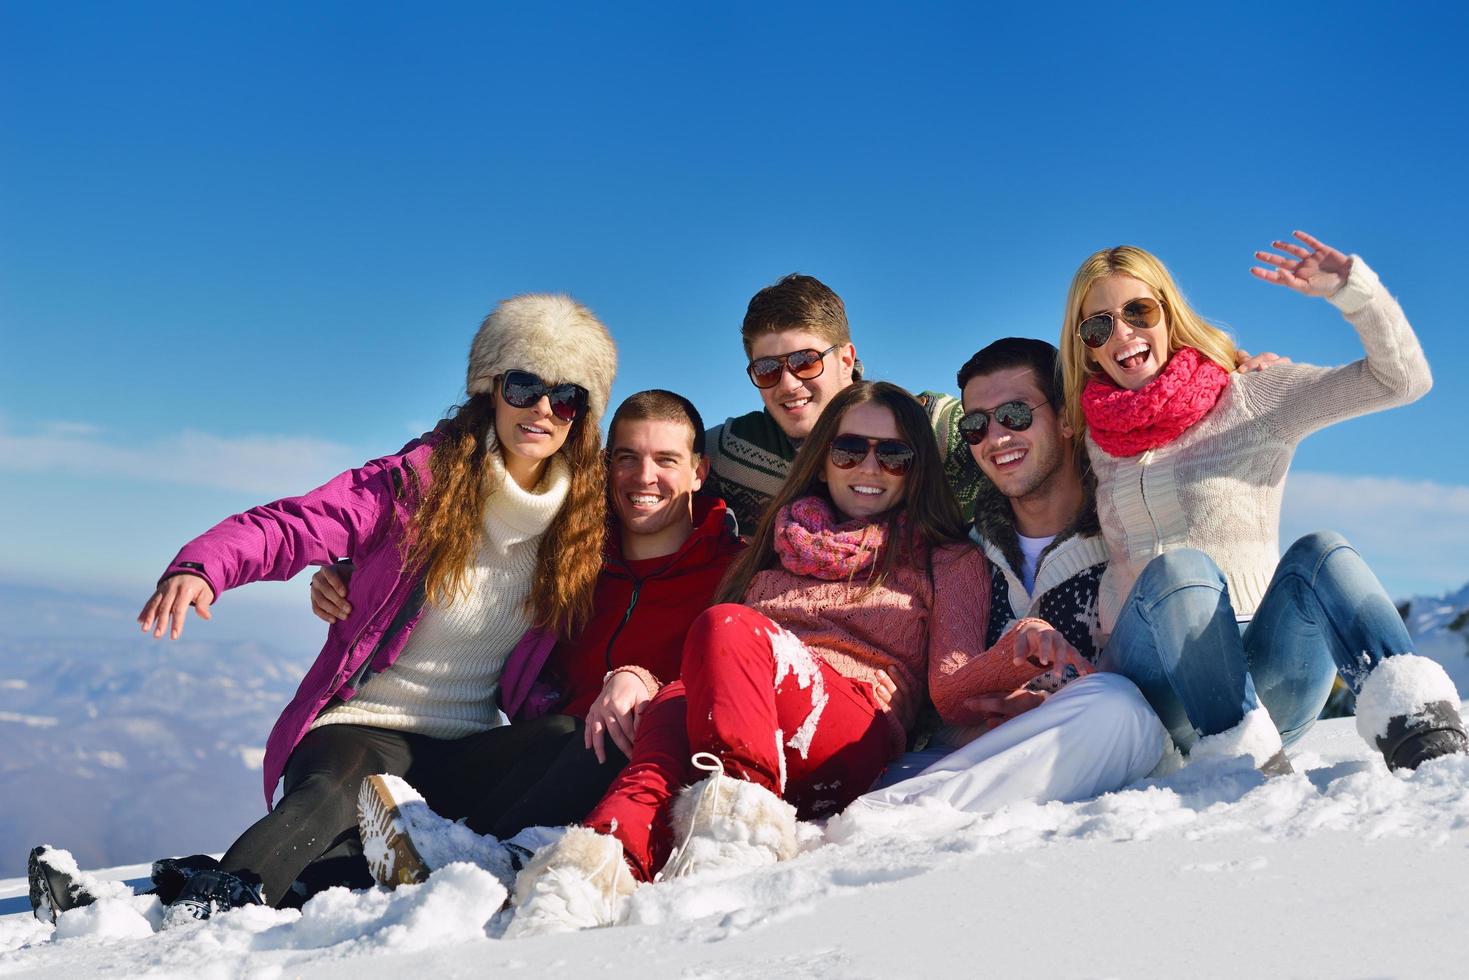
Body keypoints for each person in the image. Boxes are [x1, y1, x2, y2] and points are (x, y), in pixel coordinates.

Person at [28, 293, 618, 924]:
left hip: (465, 748)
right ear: (490, 390)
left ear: (581, 416)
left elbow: (675, 499)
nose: (543, 410)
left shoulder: (583, 524)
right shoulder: (416, 484)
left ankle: (403, 874)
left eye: (567, 397)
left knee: (574, 740)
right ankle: (205, 907)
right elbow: (292, 525)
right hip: (362, 728)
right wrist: (203, 566)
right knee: (338, 793)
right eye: (525, 385)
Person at [500, 381, 1088, 937]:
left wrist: (1021, 647)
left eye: (894, 456)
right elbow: (714, 664)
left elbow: (952, 689)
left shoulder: (944, 556)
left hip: (845, 721)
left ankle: (739, 841)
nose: (868, 468)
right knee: (662, 736)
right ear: (823, 456)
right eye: (850, 449)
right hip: (743, 709)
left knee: (725, 628)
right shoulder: (775, 545)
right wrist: (639, 677)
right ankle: (587, 877)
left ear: (918, 468)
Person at [1059, 230, 1466, 773]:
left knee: (1323, 550)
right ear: (1083, 343)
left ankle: (1425, 736)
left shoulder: (1252, 398)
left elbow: (1402, 381)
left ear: (1169, 313)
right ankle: (1240, 765)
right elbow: (1004, 449)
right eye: (1099, 324)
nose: (1123, 332)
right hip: (1155, 683)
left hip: (1276, 669)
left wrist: (1355, 293)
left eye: (1139, 310)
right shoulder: (1090, 436)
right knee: (1178, 568)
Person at [333, 390, 745, 887]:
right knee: (561, 733)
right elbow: (477, 562)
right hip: (536, 759)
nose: (643, 477)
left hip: (645, 769)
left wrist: (648, 684)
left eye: (666, 460)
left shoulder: (735, 575)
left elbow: (740, 679)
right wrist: (354, 576)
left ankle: (469, 869)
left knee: (608, 733)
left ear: (699, 471)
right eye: (627, 458)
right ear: (605, 466)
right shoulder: (571, 556)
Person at [705, 273, 983, 532]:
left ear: (846, 359)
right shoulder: (729, 452)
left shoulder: (939, 430)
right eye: (767, 369)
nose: (788, 385)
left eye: (806, 361)